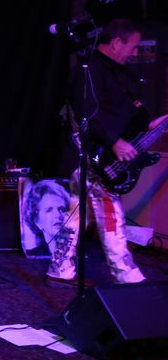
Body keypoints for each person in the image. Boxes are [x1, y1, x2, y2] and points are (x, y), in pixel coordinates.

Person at [48, 18, 167, 286]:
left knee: (76, 214)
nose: (134, 53)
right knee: (109, 213)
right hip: (91, 153)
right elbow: (86, 113)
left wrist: (151, 124)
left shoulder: (120, 73)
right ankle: (126, 275)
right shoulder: (88, 69)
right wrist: (114, 141)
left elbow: (129, 111)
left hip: (106, 153)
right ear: (116, 43)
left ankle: (60, 270)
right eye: (132, 47)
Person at [22, 180, 74, 257]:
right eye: (49, 210)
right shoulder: (31, 256)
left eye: (62, 209)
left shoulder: (81, 254)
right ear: (36, 221)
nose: (57, 215)